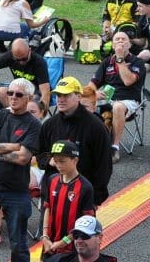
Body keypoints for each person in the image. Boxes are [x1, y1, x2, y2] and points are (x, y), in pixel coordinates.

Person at [0, 77, 41, 262]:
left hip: (16, 190)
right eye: (10, 92)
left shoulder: (34, 125)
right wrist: (12, 146)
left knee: (18, 244)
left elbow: (23, 158)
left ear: (28, 98)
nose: (13, 97)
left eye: (18, 94)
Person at [38, 77, 114, 206]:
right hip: (52, 193)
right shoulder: (49, 125)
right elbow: (39, 156)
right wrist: (49, 160)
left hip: (82, 197)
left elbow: (104, 165)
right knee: (47, 227)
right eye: (58, 95)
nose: (60, 99)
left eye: (66, 95)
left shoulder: (96, 127)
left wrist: (95, 199)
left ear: (79, 96)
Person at [91, 31, 147, 164]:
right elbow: (91, 85)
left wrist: (120, 59)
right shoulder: (106, 62)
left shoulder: (138, 63)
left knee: (117, 107)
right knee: (82, 101)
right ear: (112, 44)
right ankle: (84, 143)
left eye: (123, 39)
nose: (120, 41)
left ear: (129, 44)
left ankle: (114, 147)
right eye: (117, 39)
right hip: (107, 99)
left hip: (129, 102)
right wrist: (94, 94)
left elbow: (128, 81)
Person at [41, 140, 96, 257]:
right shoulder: (52, 180)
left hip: (72, 248)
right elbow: (47, 209)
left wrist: (64, 241)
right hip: (50, 244)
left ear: (75, 160)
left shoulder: (85, 187)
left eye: (62, 161)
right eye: (55, 161)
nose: (58, 165)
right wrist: (45, 236)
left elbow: (87, 223)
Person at [0, 38, 52, 106]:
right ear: (12, 54)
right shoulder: (9, 56)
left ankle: (21, 114)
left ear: (29, 50)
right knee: (0, 92)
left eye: (24, 59)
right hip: (18, 90)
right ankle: (13, 114)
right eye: (17, 59)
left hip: (34, 93)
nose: (21, 62)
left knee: (31, 100)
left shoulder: (39, 62)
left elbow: (45, 91)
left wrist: (42, 113)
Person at [43, 216, 116, 262]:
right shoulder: (59, 259)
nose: (79, 240)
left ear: (99, 238)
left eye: (84, 235)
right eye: (76, 235)